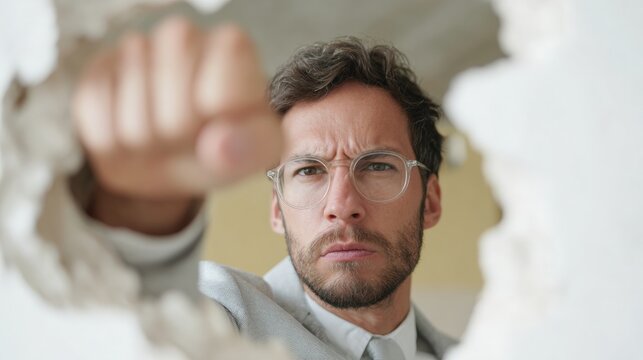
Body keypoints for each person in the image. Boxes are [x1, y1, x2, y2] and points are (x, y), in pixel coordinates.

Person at [72, 17, 455, 360]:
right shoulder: (223, 313)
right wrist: (142, 224)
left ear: (430, 203)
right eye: (308, 171)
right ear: (277, 209)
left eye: (376, 166)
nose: (341, 205)